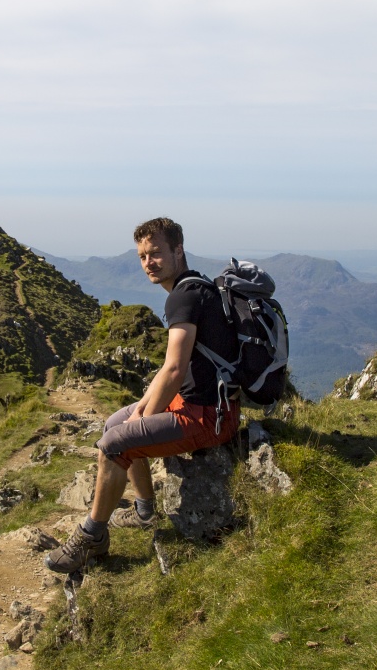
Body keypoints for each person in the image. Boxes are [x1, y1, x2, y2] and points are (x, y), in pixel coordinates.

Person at [46, 217, 240, 574]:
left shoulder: (183, 297)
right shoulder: (195, 288)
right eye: (142, 256)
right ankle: (145, 510)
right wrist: (139, 410)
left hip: (206, 417)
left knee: (114, 445)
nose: (149, 262)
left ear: (178, 250)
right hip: (204, 405)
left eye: (156, 253)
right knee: (113, 423)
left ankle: (92, 537)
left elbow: (174, 370)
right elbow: (170, 372)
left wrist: (143, 417)